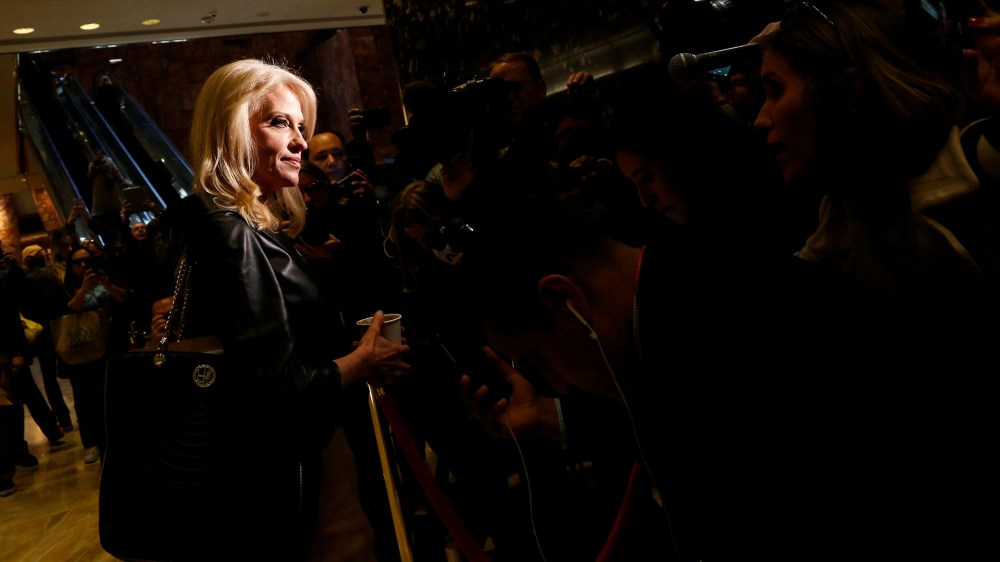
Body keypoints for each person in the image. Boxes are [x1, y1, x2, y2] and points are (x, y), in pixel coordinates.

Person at [460, 193, 984, 560]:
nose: (557, 382)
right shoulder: (676, 296)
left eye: (538, 360)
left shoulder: (729, 330)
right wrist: (549, 417)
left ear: (564, 299)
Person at [162, 58, 410, 560]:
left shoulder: (248, 227)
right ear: (232, 128)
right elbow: (275, 387)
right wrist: (361, 361)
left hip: (294, 467)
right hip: (297, 473)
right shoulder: (230, 231)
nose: (300, 141)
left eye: (301, 126)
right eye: (279, 123)